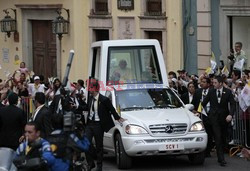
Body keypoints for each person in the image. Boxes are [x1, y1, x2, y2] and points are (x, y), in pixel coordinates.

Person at [84, 79, 125, 171]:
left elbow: (112, 109)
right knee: (86, 143)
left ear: (95, 89)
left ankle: (99, 166)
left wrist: (118, 118)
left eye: (90, 88)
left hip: (99, 125)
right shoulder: (90, 98)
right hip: (89, 124)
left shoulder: (104, 99)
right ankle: (90, 163)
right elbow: (86, 108)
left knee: (99, 146)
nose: (89, 90)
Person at [202, 76, 235, 166]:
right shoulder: (211, 91)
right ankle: (221, 159)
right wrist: (196, 111)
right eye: (213, 82)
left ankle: (221, 153)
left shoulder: (228, 92)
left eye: (215, 82)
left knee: (223, 138)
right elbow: (204, 102)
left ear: (220, 83)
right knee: (218, 137)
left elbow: (232, 104)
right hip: (214, 118)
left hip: (224, 119)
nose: (213, 84)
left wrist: (230, 115)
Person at [192, 77, 214, 157]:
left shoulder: (212, 91)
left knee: (210, 133)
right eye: (201, 82)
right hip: (201, 115)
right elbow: (193, 103)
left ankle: (208, 151)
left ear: (208, 84)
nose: (202, 83)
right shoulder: (198, 92)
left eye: (204, 82)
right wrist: (194, 110)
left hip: (210, 114)